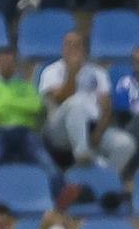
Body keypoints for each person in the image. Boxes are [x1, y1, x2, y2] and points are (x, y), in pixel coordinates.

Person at [0, 46, 63, 197]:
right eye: (3, 62)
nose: (7, 65)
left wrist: (6, 104)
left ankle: (60, 197)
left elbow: (36, 107)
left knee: (47, 163)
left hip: (25, 131)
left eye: (11, 62)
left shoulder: (27, 87)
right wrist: (18, 105)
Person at [40, 30, 116, 177]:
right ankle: (82, 152)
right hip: (59, 129)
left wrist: (99, 132)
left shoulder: (98, 72)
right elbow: (60, 99)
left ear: (85, 50)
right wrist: (72, 73)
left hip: (92, 127)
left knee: (125, 145)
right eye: (68, 45)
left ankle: (99, 178)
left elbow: (106, 107)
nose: (72, 49)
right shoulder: (50, 71)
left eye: (77, 45)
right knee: (76, 102)